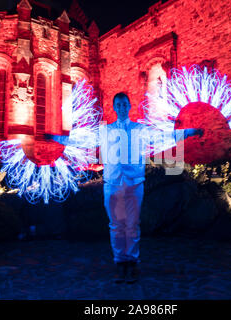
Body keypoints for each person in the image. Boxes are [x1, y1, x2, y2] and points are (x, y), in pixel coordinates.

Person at [46, 92, 203, 284]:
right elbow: (82, 140)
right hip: (112, 185)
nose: (121, 107)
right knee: (116, 225)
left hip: (134, 184)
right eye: (118, 104)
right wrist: (55, 138)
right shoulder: (105, 131)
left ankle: (132, 262)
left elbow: (164, 137)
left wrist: (190, 132)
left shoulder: (140, 130)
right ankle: (121, 263)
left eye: (124, 104)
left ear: (129, 106)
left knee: (132, 224)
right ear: (114, 107)